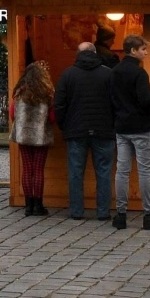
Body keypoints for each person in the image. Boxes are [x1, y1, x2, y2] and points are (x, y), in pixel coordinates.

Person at [54, 41, 117, 220]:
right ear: (95, 53)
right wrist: (113, 124)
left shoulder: (67, 75)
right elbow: (116, 102)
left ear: (77, 54)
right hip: (103, 129)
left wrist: (63, 126)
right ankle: (103, 212)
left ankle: (76, 211)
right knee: (104, 173)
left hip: (76, 130)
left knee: (75, 173)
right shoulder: (108, 74)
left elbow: (59, 104)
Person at [111, 34, 150, 231]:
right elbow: (145, 102)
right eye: (143, 49)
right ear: (133, 50)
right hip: (141, 127)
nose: (146, 52)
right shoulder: (139, 74)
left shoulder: (114, 71)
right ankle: (148, 214)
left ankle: (120, 214)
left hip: (121, 127)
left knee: (122, 171)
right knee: (145, 170)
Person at [11, 60, 54, 217]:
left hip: (23, 133)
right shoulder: (47, 94)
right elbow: (52, 117)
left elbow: (12, 114)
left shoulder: (18, 93)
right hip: (40, 134)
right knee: (38, 170)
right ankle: (38, 205)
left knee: (27, 169)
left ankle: (28, 206)